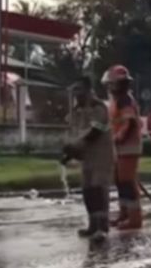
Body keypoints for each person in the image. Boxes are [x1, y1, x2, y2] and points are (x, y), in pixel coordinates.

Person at [61, 76, 115, 242]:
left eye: (79, 89)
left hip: (102, 156)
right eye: (74, 90)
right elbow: (76, 133)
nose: (76, 93)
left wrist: (76, 144)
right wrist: (69, 153)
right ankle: (92, 225)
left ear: (88, 90)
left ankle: (102, 227)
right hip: (87, 157)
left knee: (99, 189)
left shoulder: (99, 108)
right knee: (88, 191)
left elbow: (95, 132)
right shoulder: (76, 111)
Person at [102, 65, 143, 230]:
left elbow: (129, 124)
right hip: (120, 147)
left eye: (112, 84)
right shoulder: (118, 100)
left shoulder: (125, 100)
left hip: (128, 147)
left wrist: (117, 139)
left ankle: (134, 218)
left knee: (127, 182)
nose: (110, 87)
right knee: (120, 182)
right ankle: (124, 214)